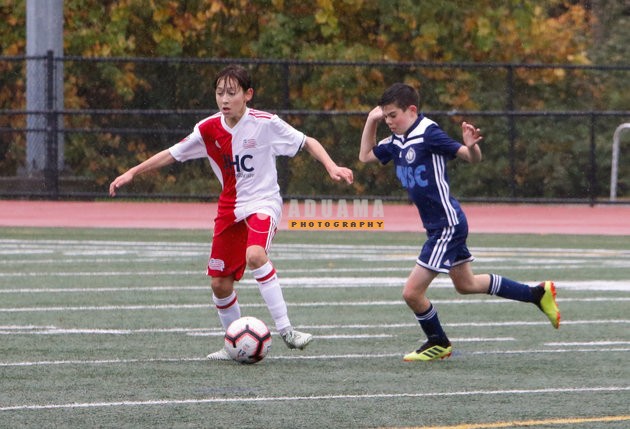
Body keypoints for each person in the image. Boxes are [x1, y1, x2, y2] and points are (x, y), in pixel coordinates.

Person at [110, 64, 354, 360]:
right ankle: (233, 344)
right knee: (219, 284)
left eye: (231, 93)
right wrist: (132, 172)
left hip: (264, 202)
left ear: (248, 95)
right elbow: (172, 153)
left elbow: (307, 142)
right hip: (230, 208)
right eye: (219, 93)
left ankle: (287, 330)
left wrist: (332, 166)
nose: (224, 99)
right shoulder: (207, 129)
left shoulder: (265, 123)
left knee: (255, 255)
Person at [358, 83, 560, 362]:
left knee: (411, 293)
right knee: (466, 284)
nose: (389, 121)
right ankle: (537, 294)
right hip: (440, 225)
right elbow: (365, 156)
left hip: (447, 226)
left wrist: (472, 147)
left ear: (412, 110)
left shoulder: (428, 133)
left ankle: (438, 342)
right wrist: (371, 121)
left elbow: (470, 157)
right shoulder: (396, 141)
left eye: (393, 115)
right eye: (386, 117)